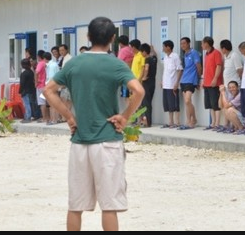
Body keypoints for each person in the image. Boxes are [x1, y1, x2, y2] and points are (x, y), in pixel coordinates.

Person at [44, 16, 145, 231]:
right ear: (113, 38)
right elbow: (139, 91)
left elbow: (48, 90)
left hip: (80, 140)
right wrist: (125, 116)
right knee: (109, 206)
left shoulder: (75, 63)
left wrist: (69, 117)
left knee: (75, 206)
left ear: (88, 36)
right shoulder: (115, 64)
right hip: (107, 140)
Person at [179, 37, 202, 130]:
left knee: (188, 100)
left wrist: (199, 78)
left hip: (191, 80)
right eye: (181, 44)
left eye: (184, 43)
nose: (182, 45)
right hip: (184, 80)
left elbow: (198, 66)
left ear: (189, 43)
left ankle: (193, 119)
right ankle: (189, 121)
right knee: (187, 102)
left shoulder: (194, 53)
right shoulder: (185, 54)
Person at [202, 36, 224, 130]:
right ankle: (213, 122)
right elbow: (205, 68)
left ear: (207, 43)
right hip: (206, 82)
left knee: (216, 104)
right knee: (210, 104)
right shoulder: (206, 54)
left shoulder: (216, 53)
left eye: (203, 43)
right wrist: (203, 80)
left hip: (214, 83)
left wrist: (215, 79)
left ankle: (217, 123)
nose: (202, 45)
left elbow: (219, 66)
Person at [161, 40, 182, 129]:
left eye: (163, 46)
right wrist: (162, 81)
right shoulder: (165, 57)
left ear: (168, 47)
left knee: (174, 104)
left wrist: (176, 83)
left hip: (172, 84)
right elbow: (165, 70)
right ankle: (170, 122)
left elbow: (180, 69)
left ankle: (177, 122)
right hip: (166, 84)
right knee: (168, 104)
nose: (162, 48)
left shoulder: (175, 56)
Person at [139, 43, 157, 127]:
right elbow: (155, 54)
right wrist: (152, 49)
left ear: (145, 52)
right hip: (153, 82)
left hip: (147, 83)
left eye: (142, 52)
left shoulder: (147, 59)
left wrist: (144, 77)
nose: (141, 54)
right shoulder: (154, 58)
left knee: (146, 103)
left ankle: (147, 122)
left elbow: (146, 68)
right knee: (149, 102)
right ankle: (148, 121)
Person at [19, 58, 36, 123]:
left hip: (25, 91)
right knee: (31, 104)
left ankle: (28, 117)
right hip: (31, 90)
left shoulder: (24, 73)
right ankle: (30, 116)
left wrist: (20, 91)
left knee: (26, 104)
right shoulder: (31, 72)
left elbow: (22, 83)